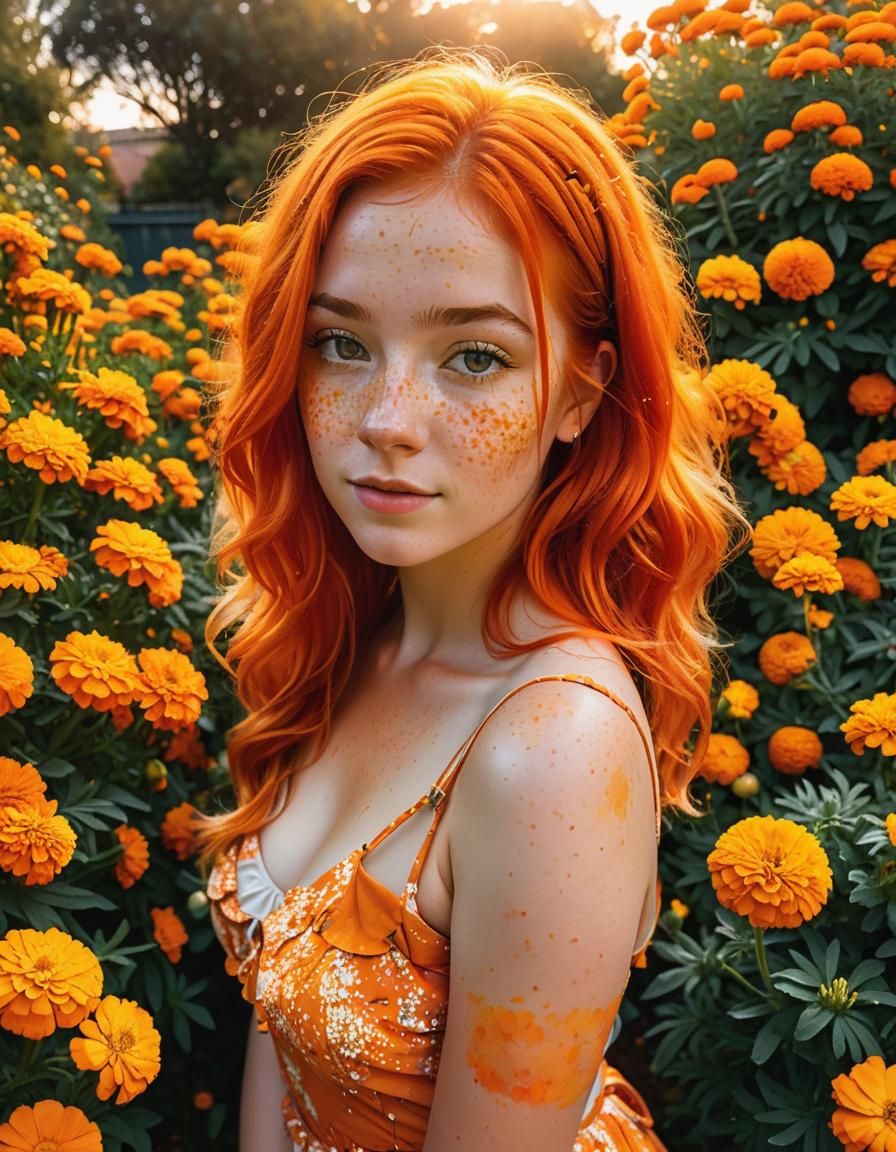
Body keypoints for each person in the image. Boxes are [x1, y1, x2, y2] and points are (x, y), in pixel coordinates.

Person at [196, 47, 750, 1152]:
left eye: (475, 358)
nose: (386, 417)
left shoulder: (550, 751)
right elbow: (277, 1027)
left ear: (581, 391)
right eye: (341, 344)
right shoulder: (362, 630)